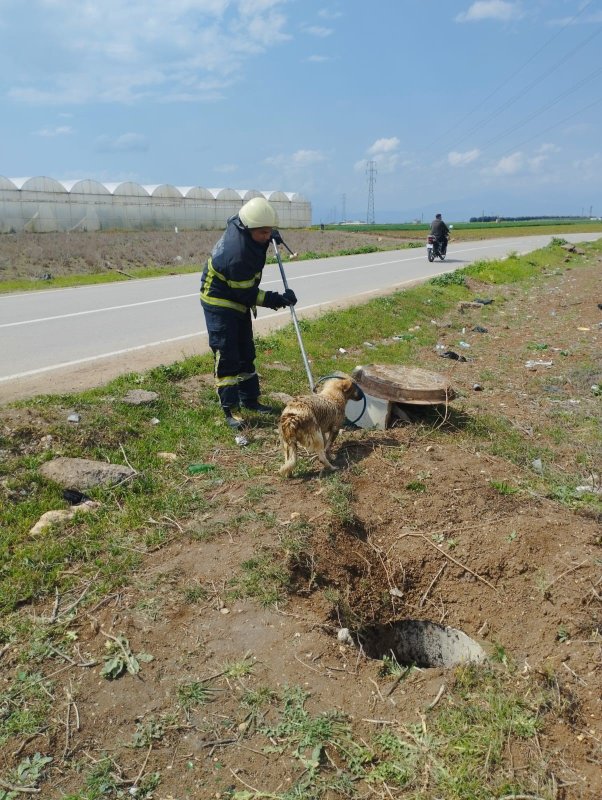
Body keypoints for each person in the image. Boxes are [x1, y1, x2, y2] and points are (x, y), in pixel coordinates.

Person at [200, 197, 297, 430]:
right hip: (220, 302)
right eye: (263, 232)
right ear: (248, 228)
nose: (267, 235)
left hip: (238, 300)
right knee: (228, 355)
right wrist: (277, 299)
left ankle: (250, 400)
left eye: (269, 230)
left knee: (246, 351)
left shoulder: (246, 224)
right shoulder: (237, 255)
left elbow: (258, 232)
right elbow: (247, 294)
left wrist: (269, 235)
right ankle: (231, 409)